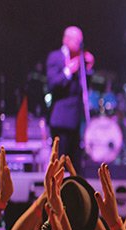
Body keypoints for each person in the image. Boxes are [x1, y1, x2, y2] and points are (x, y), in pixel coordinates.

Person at [46, 26, 94, 171]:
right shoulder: (56, 57)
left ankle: (76, 191)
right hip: (61, 119)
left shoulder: (79, 59)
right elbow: (52, 83)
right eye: (77, 41)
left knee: (75, 164)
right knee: (59, 163)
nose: (80, 44)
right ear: (66, 39)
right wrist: (68, 71)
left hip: (75, 119)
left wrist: (89, 67)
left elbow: (84, 87)